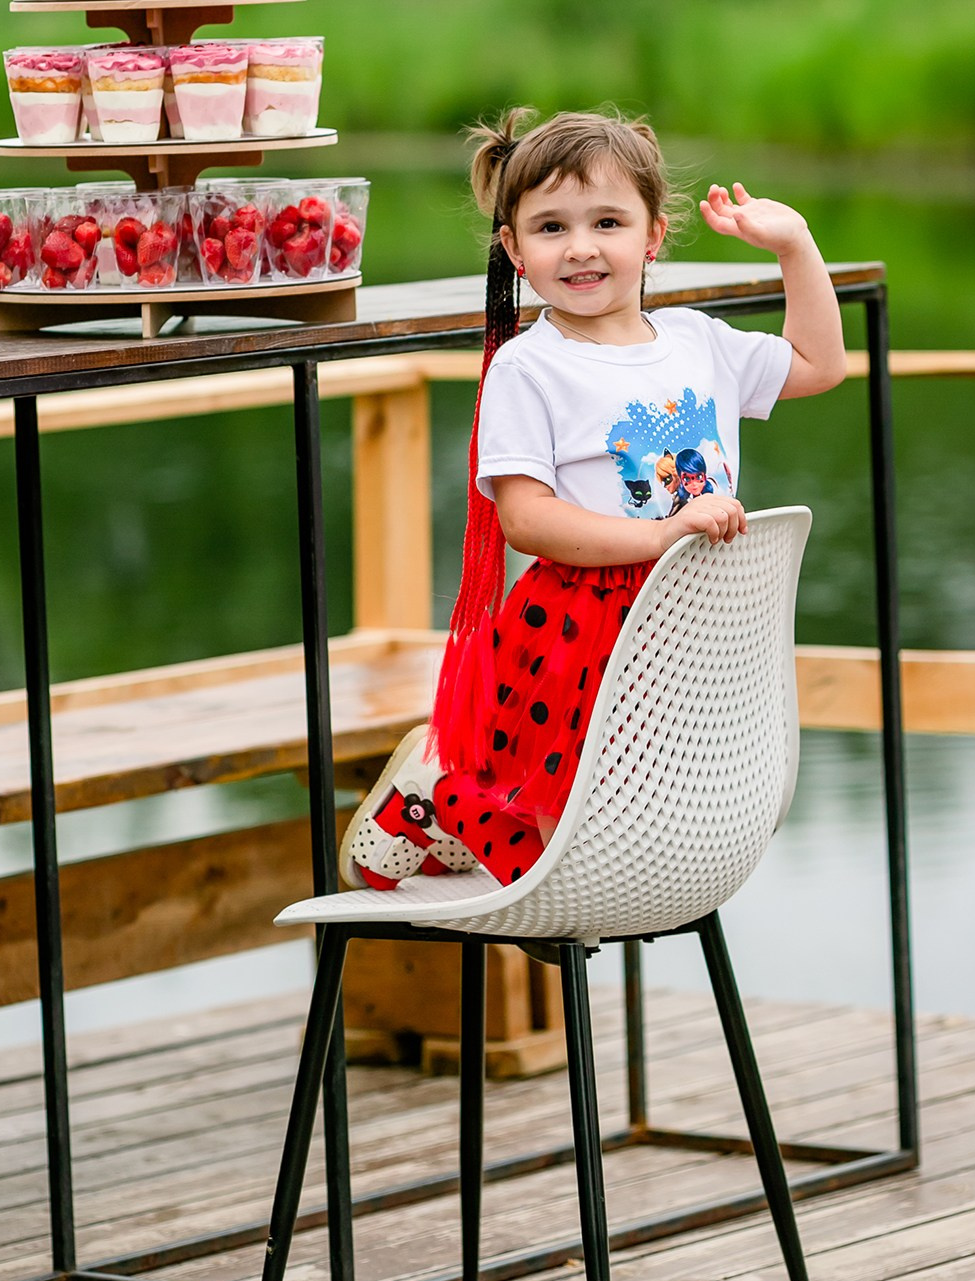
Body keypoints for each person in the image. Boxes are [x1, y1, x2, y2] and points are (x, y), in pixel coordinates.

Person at [341, 107, 846, 890]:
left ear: (652, 235)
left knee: (650, 809)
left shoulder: (698, 341)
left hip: (690, 617)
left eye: (607, 221)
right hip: (578, 623)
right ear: (513, 248)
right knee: (566, 835)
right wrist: (664, 534)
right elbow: (526, 519)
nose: (580, 247)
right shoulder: (530, 368)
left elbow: (818, 363)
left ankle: (455, 797)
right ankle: (442, 796)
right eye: (550, 227)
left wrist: (795, 245)